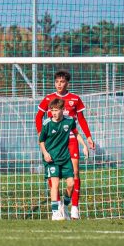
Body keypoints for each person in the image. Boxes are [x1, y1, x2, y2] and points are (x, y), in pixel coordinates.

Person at [35, 71, 95, 220]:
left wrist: (88, 138)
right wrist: (40, 133)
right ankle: (56, 206)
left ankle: (73, 207)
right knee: (53, 175)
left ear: (67, 83)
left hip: (71, 139)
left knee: (74, 174)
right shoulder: (49, 98)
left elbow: (81, 119)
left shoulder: (75, 99)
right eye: (57, 82)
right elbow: (38, 116)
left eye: (62, 82)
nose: (59, 84)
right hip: (53, 142)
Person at [38, 98, 77, 221]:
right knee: (55, 184)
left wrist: (85, 145)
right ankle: (55, 213)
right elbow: (41, 140)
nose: (54, 113)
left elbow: (76, 133)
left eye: (56, 110)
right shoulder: (47, 123)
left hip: (65, 158)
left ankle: (64, 207)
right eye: (52, 110)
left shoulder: (69, 121)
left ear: (63, 110)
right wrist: (45, 153)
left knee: (71, 184)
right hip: (51, 159)